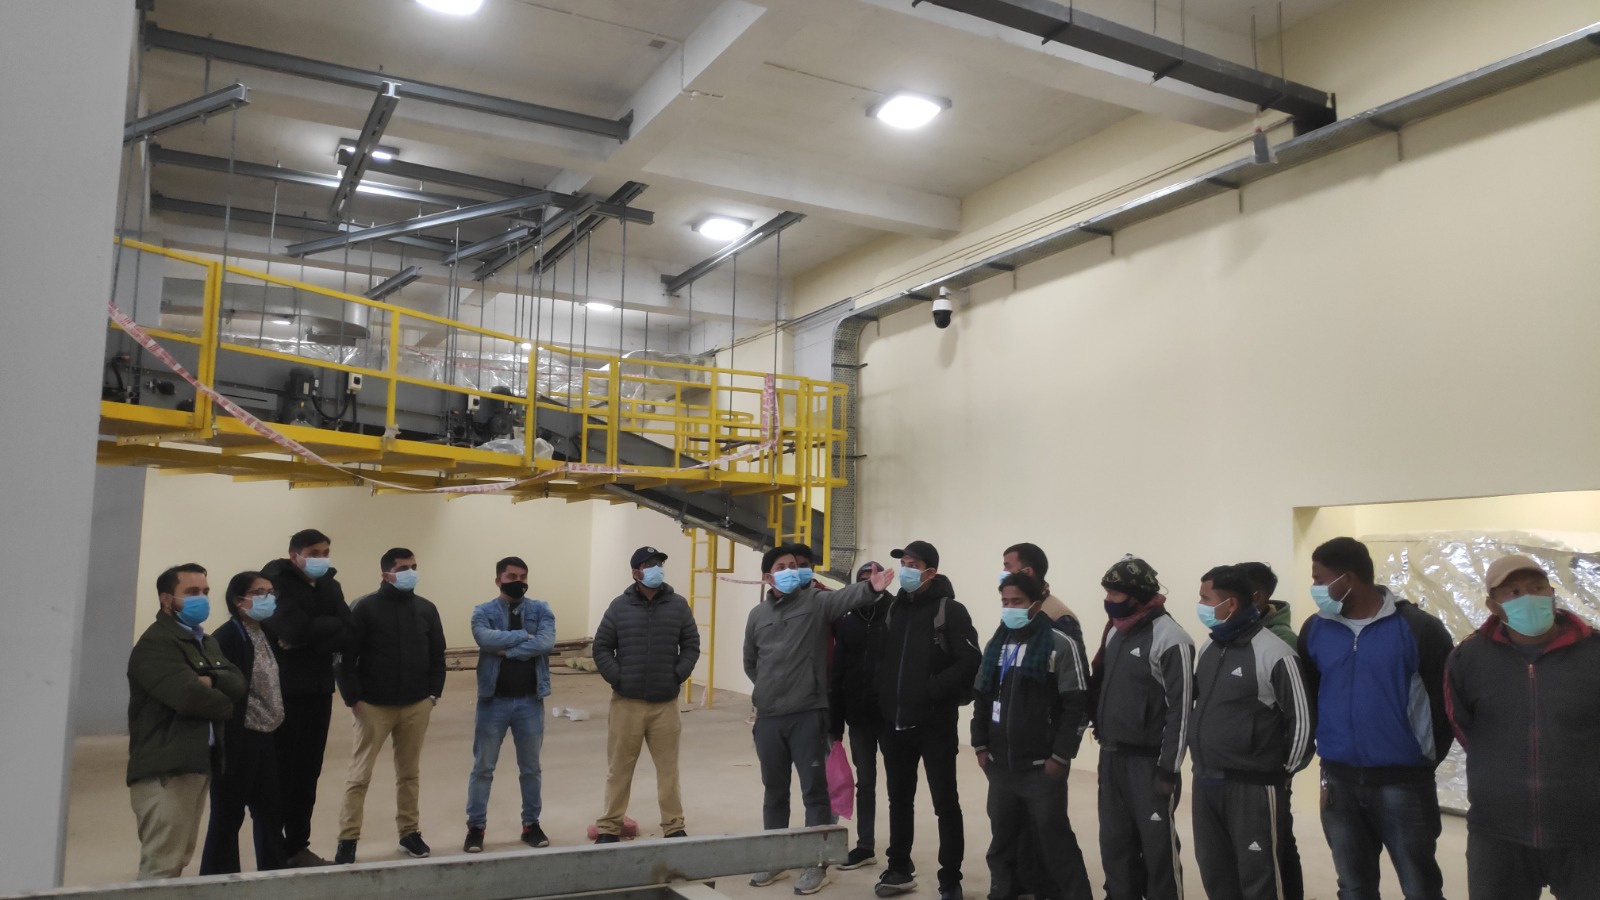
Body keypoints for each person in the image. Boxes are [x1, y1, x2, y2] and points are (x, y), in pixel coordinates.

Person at [1298, 536, 1454, 900]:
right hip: (1339, 780)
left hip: (1404, 783)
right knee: (1353, 886)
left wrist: (1423, 756)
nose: (1316, 588)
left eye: (1320, 579)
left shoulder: (1418, 628)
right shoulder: (1316, 628)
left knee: (1420, 887)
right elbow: (1311, 693)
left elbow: (1446, 702)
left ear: (1347, 578)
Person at [1445, 554, 1600, 900]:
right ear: (1492, 604)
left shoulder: (1594, 652)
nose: (1527, 597)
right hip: (1498, 833)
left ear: (1551, 591)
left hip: (1587, 833)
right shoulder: (1468, 658)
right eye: (1512, 591)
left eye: (1536, 587)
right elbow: (1465, 727)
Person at [745, 543, 897, 894]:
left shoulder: (815, 602)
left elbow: (846, 599)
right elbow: (751, 662)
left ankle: (816, 864)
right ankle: (775, 858)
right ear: (768, 577)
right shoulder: (757, 615)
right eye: (782, 566)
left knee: (815, 793)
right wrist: (771, 689)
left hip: (807, 714)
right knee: (774, 792)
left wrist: (871, 588)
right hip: (769, 717)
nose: (790, 570)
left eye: (794, 565)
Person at [1190, 565, 1314, 900]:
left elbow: (1301, 721)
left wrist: (1280, 772)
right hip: (1206, 780)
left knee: (1259, 878)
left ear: (1229, 604)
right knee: (1216, 872)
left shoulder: (1275, 653)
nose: (1199, 604)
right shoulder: (1209, 649)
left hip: (1253, 786)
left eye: (1205, 598)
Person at [972, 572, 1093, 900]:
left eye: (1017, 602)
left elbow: (1077, 707)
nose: (1009, 609)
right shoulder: (997, 644)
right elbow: (983, 699)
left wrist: (1061, 756)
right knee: (1002, 843)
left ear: (1036, 605)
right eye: (1005, 602)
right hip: (1000, 767)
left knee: (1055, 842)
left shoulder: (1059, 645)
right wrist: (981, 746)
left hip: (1042, 769)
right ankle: (1004, 892)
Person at [875, 540, 981, 900]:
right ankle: (899, 868)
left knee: (945, 804)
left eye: (912, 564)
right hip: (895, 725)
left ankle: (950, 879)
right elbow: (884, 661)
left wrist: (931, 690)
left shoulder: (950, 611)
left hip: (935, 725)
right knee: (898, 800)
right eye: (903, 562)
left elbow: (970, 662)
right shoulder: (895, 610)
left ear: (930, 572)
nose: (904, 569)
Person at [126, 563, 245, 879]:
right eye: (192, 592)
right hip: (166, 769)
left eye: (205, 592)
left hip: (195, 762)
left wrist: (209, 681)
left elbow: (237, 681)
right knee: (162, 864)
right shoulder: (156, 644)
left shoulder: (204, 641)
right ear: (167, 599)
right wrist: (223, 699)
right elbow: (190, 697)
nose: (202, 598)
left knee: (178, 859)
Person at [1089, 554, 1193, 900]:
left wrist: (1169, 767)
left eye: (1115, 595)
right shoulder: (1116, 634)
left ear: (1137, 595)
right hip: (1113, 758)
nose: (1108, 602)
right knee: (1115, 846)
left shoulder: (1171, 638)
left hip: (1149, 765)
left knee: (1157, 849)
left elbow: (1181, 709)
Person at [333, 548, 446, 864]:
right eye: (402, 568)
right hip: (373, 707)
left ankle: (409, 833)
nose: (410, 572)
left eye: (413, 566)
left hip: (416, 705)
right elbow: (344, 656)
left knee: (409, 773)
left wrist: (432, 695)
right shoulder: (365, 608)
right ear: (386, 575)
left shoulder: (426, 609)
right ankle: (348, 840)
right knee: (359, 775)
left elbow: (438, 655)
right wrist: (353, 698)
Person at [591, 546, 699, 844]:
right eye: (650, 564)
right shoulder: (618, 607)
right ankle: (610, 827)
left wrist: (677, 675)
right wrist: (619, 678)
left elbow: (691, 643)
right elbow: (601, 647)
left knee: (668, 770)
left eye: (660, 563)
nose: (657, 568)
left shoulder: (677, 605)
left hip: (665, 704)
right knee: (619, 769)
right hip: (628, 703)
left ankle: (674, 825)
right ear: (636, 572)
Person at [261, 528, 351, 868]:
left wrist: (308, 637)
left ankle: (297, 845)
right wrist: (322, 628)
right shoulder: (275, 582)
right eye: (314, 552)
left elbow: (349, 630)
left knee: (308, 773)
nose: (321, 558)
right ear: (294, 555)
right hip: (284, 692)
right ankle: (273, 850)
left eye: (326, 551)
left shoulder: (330, 584)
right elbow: (290, 630)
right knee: (281, 773)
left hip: (319, 690)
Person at [465, 556, 557, 852]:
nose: (518, 581)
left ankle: (531, 824)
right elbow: (485, 639)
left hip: (530, 702)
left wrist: (508, 651)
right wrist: (522, 636)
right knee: (483, 768)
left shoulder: (541, 609)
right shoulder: (483, 611)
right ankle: (476, 828)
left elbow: (545, 643)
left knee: (530, 768)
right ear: (498, 580)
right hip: (493, 702)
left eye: (523, 576)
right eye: (511, 576)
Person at [200, 572, 288, 875]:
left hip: (265, 735)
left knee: (269, 811)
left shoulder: (264, 632)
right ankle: (217, 881)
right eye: (259, 592)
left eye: (270, 591)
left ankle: (274, 873)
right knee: (228, 815)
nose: (268, 597)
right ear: (239, 601)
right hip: (238, 738)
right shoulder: (227, 637)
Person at [828, 559, 892, 871]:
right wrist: (835, 721)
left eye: (875, 577)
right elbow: (838, 672)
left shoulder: (897, 614)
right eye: (864, 578)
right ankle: (865, 845)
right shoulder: (849, 620)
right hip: (860, 718)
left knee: (898, 786)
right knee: (865, 781)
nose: (871, 582)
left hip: (892, 718)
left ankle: (900, 853)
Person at [1001, 543, 1080, 638]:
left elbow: (1068, 650)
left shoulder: (1060, 616)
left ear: (1027, 572)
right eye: (1005, 602)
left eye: (1008, 566)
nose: (1003, 571)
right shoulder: (1010, 614)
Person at [1235, 561, 1296, 649]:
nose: (1227, 601)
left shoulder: (1282, 640)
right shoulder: (1232, 630)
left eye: (1235, 593)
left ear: (1258, 597)